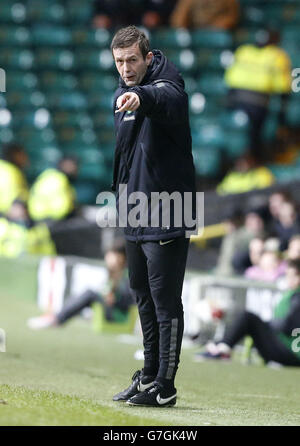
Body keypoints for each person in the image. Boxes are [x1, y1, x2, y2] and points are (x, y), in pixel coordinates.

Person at [110, 25, 196, 407]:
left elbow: (162, 100)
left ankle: (166, 384)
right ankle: (147, 375)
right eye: (119, 61)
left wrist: (139, 95)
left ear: (148, 57)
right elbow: (127, 158)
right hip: (135, 209)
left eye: (132, 60)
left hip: (169, 208)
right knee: (142, 295)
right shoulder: (121, 93)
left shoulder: (168, 87)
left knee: (165, 300)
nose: (126, 68)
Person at [194, 258, 300, 367]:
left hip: (291, 354)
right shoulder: (293, 294)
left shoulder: (297, 296)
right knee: (249, 320)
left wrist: (263, 325)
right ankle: (220, 346)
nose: (288, 279)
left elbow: (287, 326)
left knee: (248, 318)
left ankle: (222, 349)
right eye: (288, 275)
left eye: (292, 276)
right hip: (288, 350)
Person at [27, 243, 133, 329]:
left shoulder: (128, 275)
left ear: (120, 257)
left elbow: (131, 300)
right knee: (79, 295)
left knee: (90, 293)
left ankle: (56, 319)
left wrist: (115, 299)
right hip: (110, 310)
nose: (107, 258)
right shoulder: (113, 273)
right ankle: (56, 317)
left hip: (119, 316)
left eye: (111, 255)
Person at [224, 29, 292, 162]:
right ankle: (252, 159)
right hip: (256, 103)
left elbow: (229, 80)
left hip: (236, 100)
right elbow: (283, 88)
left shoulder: (243, 51)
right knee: (253, 135)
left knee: (250, 134)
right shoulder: (277, 55)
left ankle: (247, 160)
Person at [28, 157, 78, 223]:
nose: (75, 170)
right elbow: (62, 208)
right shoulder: (60, 179)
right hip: (51, 220)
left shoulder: (47, 174)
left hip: (36, 219)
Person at [170, 0, 239, 30]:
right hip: (195, 37)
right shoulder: (188, 1)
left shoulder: (227, 1)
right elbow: (177, 22)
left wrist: (211, 28)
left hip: (216, 38)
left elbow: (232, 18)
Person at [0, 142, 29, 215]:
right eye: (22, 154)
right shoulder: (10, 172)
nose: (25, 157)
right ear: (15, 155)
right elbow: (16, 208)